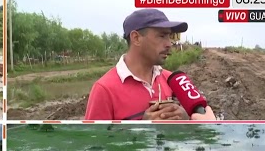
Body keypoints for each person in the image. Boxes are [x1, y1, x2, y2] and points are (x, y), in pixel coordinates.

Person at [85, 9, 216, 121]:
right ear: (136, 38)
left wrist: (186, 120)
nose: (169, 44)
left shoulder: (173, 81)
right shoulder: (104, 90)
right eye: (162, 36)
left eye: (169, 36)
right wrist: (142, 130)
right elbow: (94, 147)